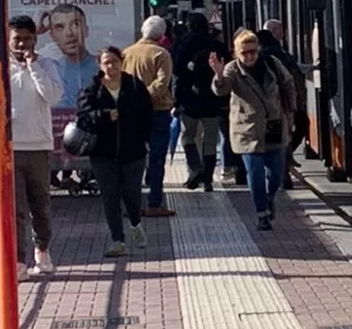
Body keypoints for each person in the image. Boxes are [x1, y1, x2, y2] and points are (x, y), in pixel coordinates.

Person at [0, 15, 64, 278]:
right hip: (9, 147)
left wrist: (33, 66)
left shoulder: (47, 64)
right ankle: (17, 260)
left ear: (35, 39)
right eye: (17, 39)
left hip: (38, 145)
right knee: (15, 208)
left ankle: (43, 252)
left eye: (27, 38)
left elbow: (53, 96)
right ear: (9, 40)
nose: (22, 44)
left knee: (41, 204)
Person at [211, 29, 297, 231]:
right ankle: (262, 215)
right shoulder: (232, 70)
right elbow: (221, 90)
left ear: (258, 50)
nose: (249, 56)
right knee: (255, 172)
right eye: (244, 53)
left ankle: (269, 197)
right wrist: (218, 74)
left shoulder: (272, 64)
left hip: (274, 125)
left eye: (252, 51)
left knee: (276, 173)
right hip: (247, 130)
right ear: (237, 53)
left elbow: (288, 84)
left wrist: (291, 110)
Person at [77, 47, 154, 257]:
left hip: (133, 151)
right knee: (110, 196)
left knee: (132, 195)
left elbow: (148, 115)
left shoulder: (135, 87)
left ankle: (136, 225)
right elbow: (83, 117)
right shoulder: (93, 89)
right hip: (103, 153)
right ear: (99, 65)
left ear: (122, 61)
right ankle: (117, 240)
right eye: (106, 62)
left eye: (114, 61)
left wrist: (146, 141)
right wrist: (103, 115)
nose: (111, 66)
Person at [122, 15, 176, 217]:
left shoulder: (127, 53)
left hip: (132, 113)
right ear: (162, 35)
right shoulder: (161, 54)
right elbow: (162, 84)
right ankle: (154, 202)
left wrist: (134, 100)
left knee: (133, 159)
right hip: (158, 111)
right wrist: (145, 97)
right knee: (157, 158)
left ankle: (132, 204)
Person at [174, 13, 230, 191]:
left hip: (189, 99)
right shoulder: (216, 45)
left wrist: (177, 100)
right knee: (211, 140)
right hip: (213, 99)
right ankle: (207, 180)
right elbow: (227, 68)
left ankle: (196, 167)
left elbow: (177, 72)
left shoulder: (183, 45)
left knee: (187, 136)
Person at [257, 24, 308, 187]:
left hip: (272, 108)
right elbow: (292, 81)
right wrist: (294, 105)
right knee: (285, 138)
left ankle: (281, 176)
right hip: (286, 106)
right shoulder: (281, 54)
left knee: (276, 142)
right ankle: (284, 172)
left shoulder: (263, 58)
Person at [42, 3, 97, 108]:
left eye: (75, 24)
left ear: (86, 30)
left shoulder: (104, 67)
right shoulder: (48, 70)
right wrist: (36, 32)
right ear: (52, 36)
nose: (69, 33)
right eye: (60, 27)